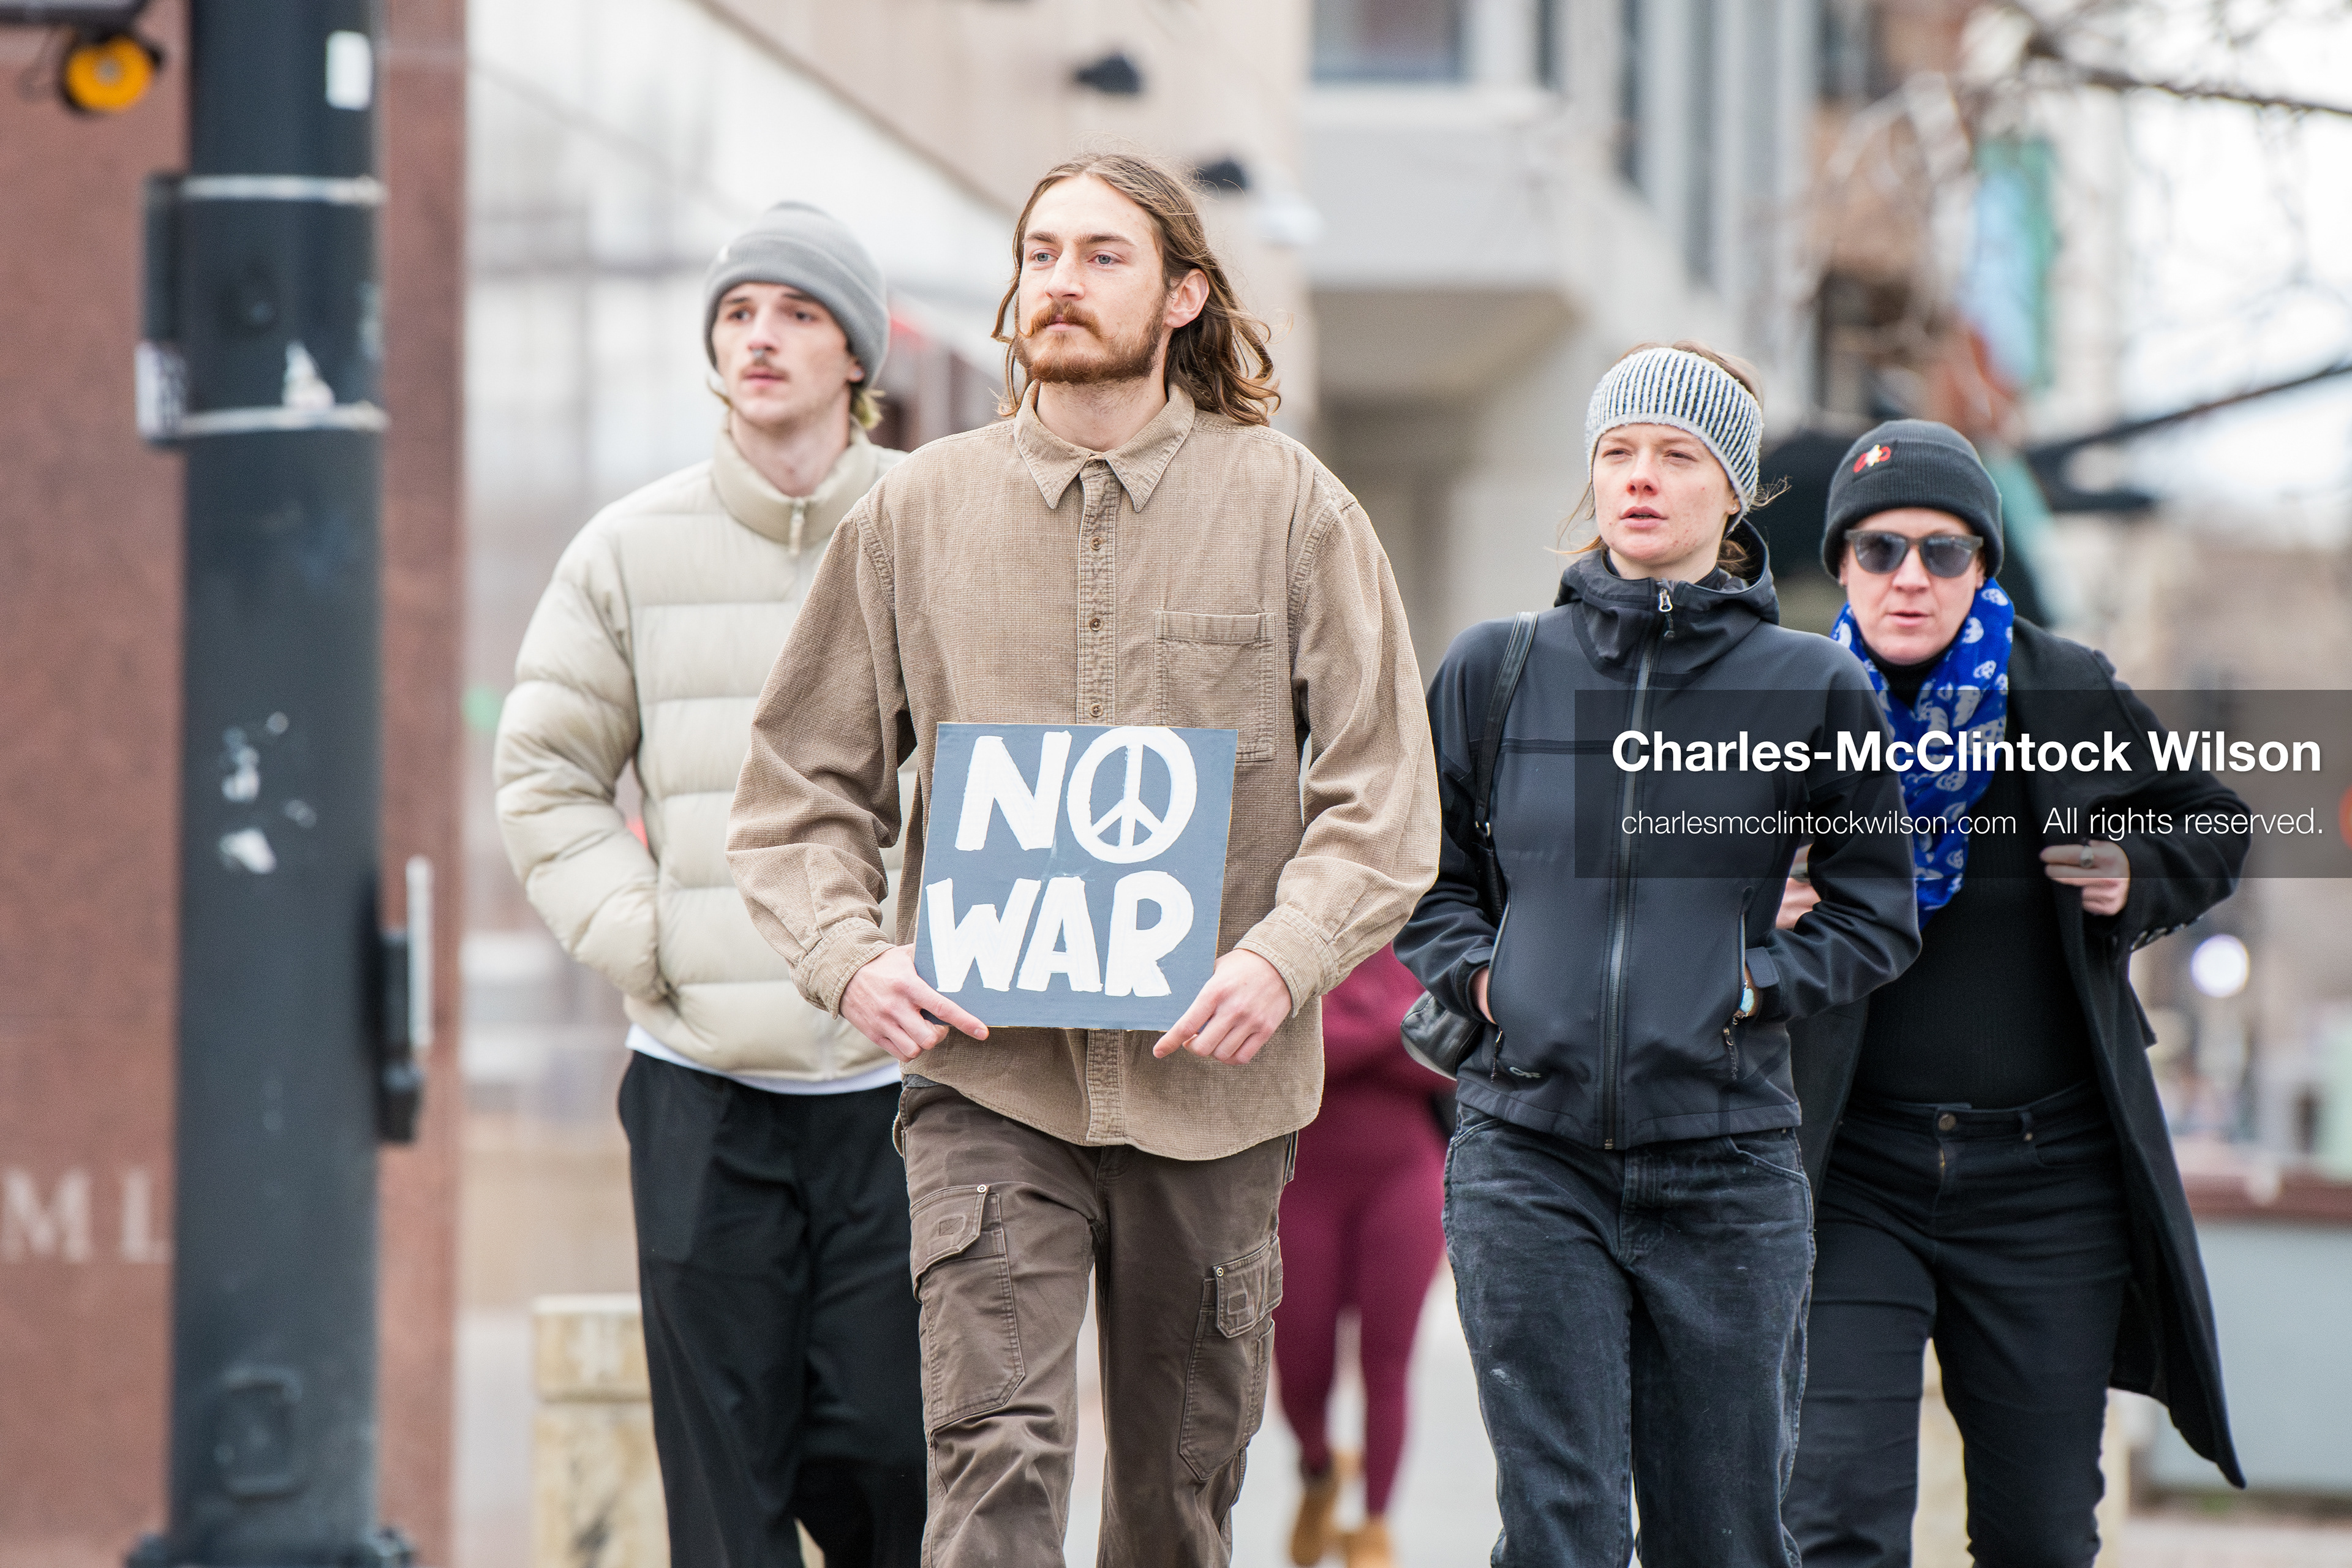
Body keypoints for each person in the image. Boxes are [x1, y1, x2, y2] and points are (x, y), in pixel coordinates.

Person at [724, 153, 1440, 1567]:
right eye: (1039, 251)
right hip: (991, 1080)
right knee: (993, 1464)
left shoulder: (1294, 511)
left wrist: (1277, 957)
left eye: (1100, 255)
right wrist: (849, 955)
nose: (1056, 280)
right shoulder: (914, 516)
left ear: (1182, 294)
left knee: (1176, 1503)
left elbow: (1382, 791)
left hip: (1216, 1097)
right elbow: (797, 783)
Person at [1397, 342, 1922, 1567]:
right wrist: (1486, 976)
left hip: (1729, 1169)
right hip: (1526, 1153)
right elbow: (1425, 876)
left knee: (1726, 1538)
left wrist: (1746, 982)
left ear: (1731, 491)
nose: (1642, 477)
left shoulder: (1812, 686)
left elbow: (1875, 911)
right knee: (1560, 1529)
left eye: (1677, 455)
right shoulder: (1499, 668)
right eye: (1618, 452)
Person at [494, 202, 924, 1567]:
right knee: (721, 1490)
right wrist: (652, 942)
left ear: (856, 354)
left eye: (797, 312)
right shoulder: (627, 548)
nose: (761, 336)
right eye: (739, 312)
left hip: (902, 1086)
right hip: (699, 1080)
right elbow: (548, 775)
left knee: (886, 1465)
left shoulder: (938, 530)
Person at [1781, 419, 2249, 1567]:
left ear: (1984, 566)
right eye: (1882, 550)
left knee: (2041, 1534)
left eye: (1946, 553)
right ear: (1842, 562)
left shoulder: (2064, 692)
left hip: (2048, 1184)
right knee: (1833, 1516)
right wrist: (1761, 900)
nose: (1912, 579)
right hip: (1853, 1178)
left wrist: (2134, 875)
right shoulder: (1790, 704)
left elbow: (2217, 824)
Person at [1273, 946, 1450, 1568]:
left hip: (1406, 1176)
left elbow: (1452, 1062)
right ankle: (1320, 1468)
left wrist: (1352, 1022)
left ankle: (1375, 1528)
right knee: (1300, 1362)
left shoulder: (1427, 940)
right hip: (1303, 1182)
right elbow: (1291, 1053)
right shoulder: (1307, 937)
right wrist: (1398, 1025)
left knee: (1388, 1359)